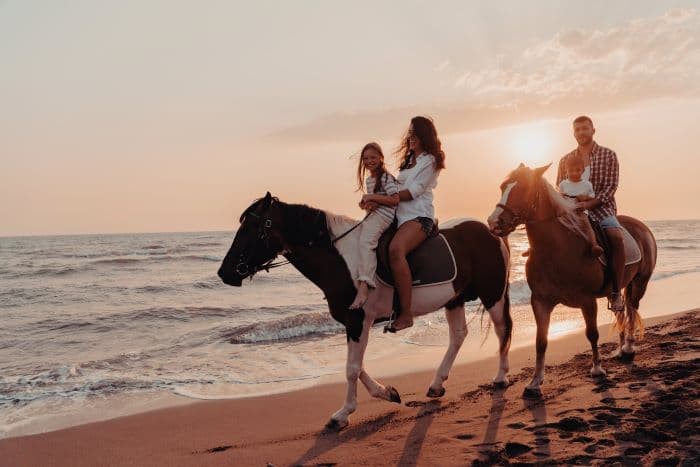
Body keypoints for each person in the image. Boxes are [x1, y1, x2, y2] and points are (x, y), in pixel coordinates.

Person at [556, 115, 625, 311]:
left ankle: (615, 292)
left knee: (615, 237)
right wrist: (571, 206)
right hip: (571, 210)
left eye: (585, 129)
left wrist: (589, 204)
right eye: (577, 130)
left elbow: (611, 187)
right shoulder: (565, 160)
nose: (581, 133)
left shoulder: (608, 155)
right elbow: (559, 187)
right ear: (573, 133)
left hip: (602, 208)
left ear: (593, 130)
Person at [382, 116, 445, 332]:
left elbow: (413, 192)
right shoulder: (408, 163)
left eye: (414, 133)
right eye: (409, 133)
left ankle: (406, 314)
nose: (410, 137)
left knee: (395, 250)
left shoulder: (430, 161)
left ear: (423, 135)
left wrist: (386, 198)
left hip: (419, 217)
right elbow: (396, 190)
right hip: (399, 217)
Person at [350, 142, 399, 309]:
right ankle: (353, 280)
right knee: (354, 238)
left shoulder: (385, 177)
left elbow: (395, 199)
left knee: (366, 242)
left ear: (381, 158)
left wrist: (372, 198)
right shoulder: (370, 180)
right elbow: (375, 200)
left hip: (385, 217)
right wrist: (367, 203)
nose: (369, 161)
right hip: (374, 215)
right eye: (365, 158)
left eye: (372, 157)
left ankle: (365, 286)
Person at [558, 151, 604, 257]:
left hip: (580, 211)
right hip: (565, 211)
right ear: (566, 171)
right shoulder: (563, 184)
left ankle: (594, 245)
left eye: (578, 170)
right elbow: (560, 197)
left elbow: (592, 196)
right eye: (571, 170)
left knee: (587, 226)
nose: (574, 173)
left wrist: (585, 198)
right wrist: (562, 196)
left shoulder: (587, 184)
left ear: (583, 170)